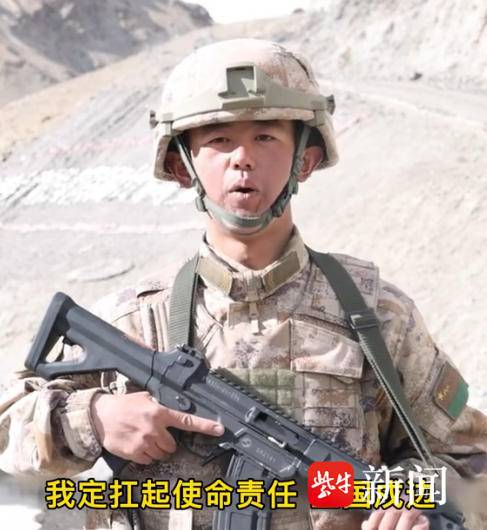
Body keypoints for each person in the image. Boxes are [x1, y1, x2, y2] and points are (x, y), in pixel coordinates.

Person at [0, 38, 486, 530]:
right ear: (181, 166)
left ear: (305, 160)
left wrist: (410, 502)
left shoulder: (376, 315)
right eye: (217, 139)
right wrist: (95, 417)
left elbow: (472, 464)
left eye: (265, 136)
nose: (242, 158)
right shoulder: (137, 321)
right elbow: (8, 427)